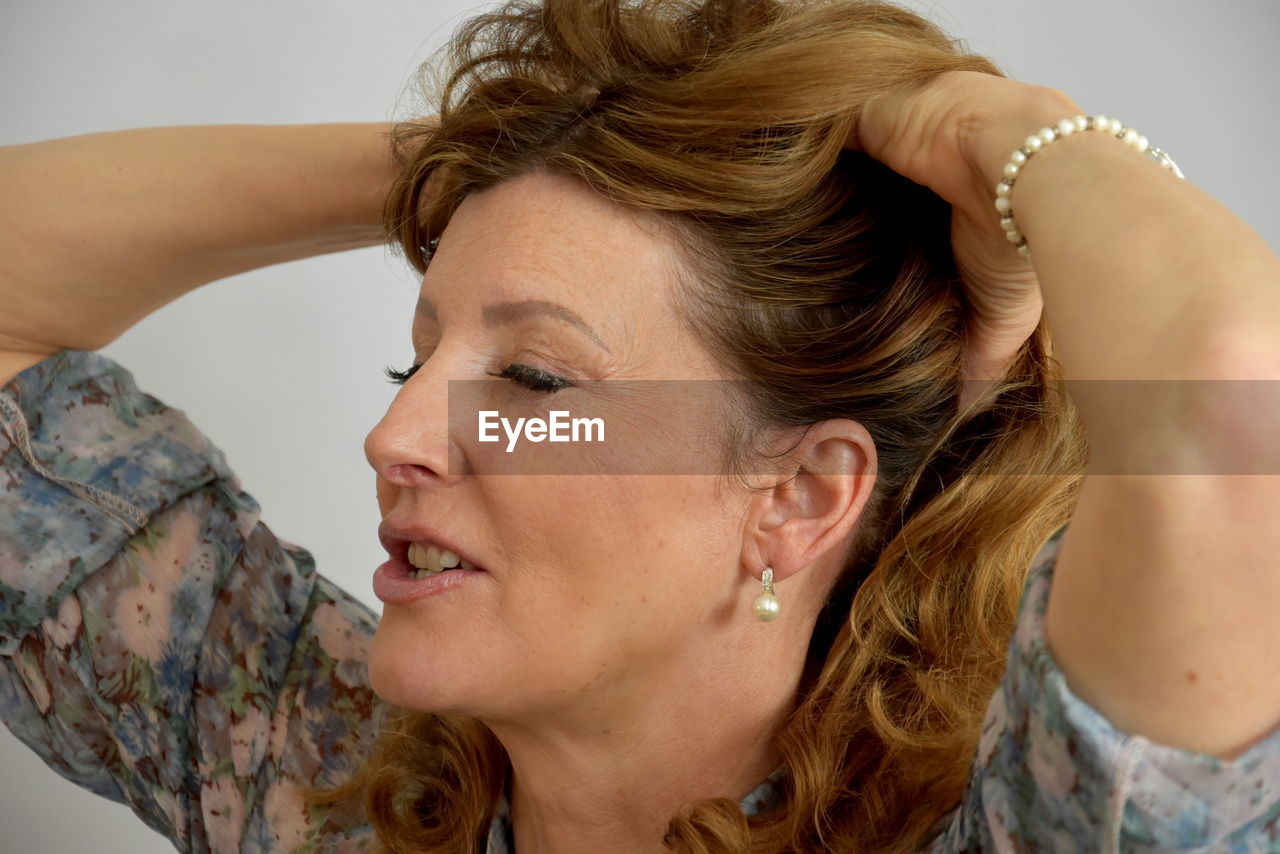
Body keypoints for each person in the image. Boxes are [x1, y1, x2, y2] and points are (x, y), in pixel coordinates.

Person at [2, 0, 1278, 851]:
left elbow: (1229, 385)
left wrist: (1001, 139)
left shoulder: (1030, 827)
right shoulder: (325, 775)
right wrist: (500, 151)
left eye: (537, 386)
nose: (396, 433)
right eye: (418, 353)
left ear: (796, 495)